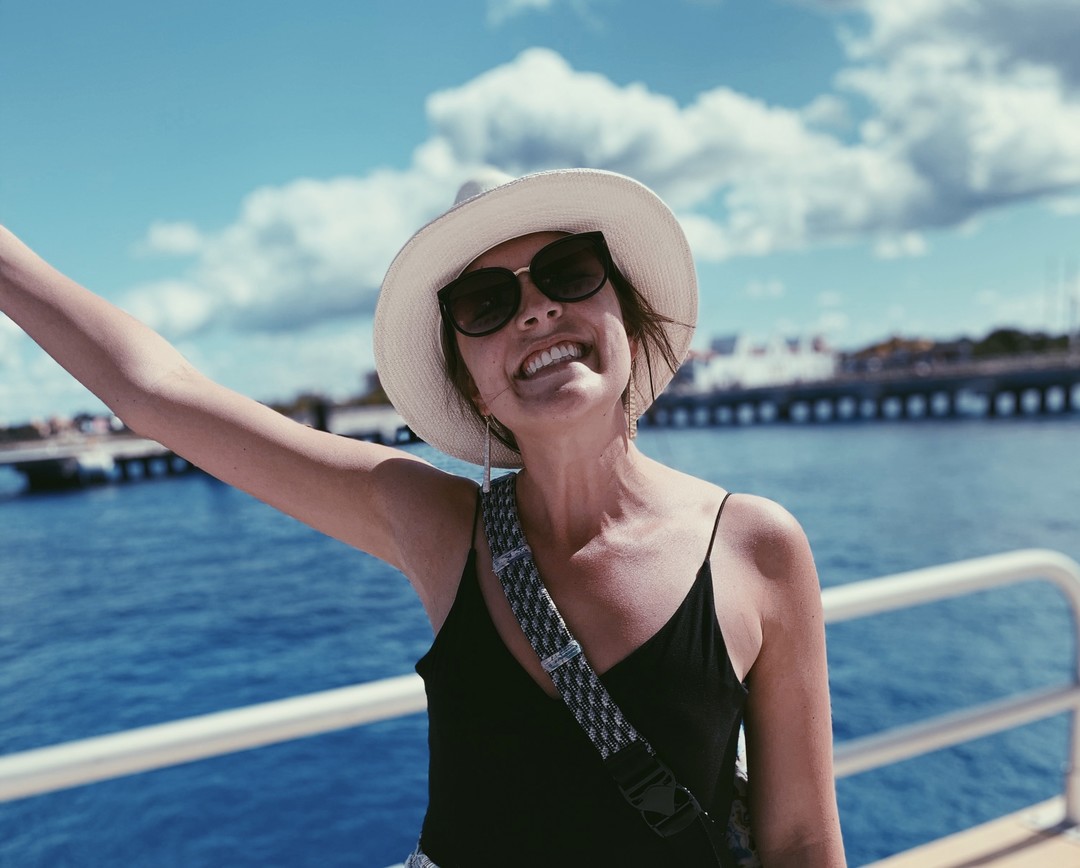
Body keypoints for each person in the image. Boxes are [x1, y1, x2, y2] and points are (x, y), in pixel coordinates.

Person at [0, 168, 846, 866]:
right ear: (469, 382)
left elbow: (804, 842)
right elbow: (160, 395)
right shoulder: (439, 527)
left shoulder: (756, 548)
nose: (535, 310)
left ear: (626, 310)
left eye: (568, 272)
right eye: (485, 303)